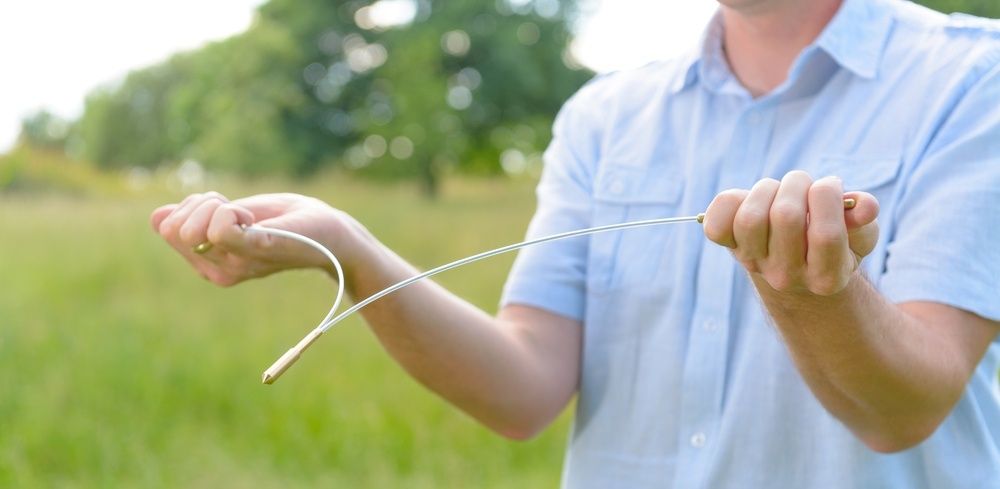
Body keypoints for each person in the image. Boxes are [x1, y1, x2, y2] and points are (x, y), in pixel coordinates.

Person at [151, 0, 1000, 486]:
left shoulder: (976, 79)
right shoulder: (605, 116)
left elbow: (907, 407)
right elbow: (524, 387)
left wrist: (814, 296)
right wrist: (351, 249)